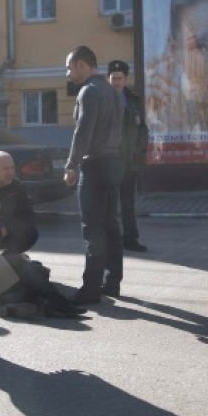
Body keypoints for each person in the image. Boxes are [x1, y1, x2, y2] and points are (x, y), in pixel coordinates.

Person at [0, 151, 86, 318]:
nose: (10, 172)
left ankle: (43, 304)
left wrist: (4, 238)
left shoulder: (9, 192)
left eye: (12, 168)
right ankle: (58, 304)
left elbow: (29, 212)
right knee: (23, 267)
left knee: (35, 269)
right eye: (5, 168)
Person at [64, 46, 124, 305]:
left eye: (69, 67)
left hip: (95, 166)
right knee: (111, 225)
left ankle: (90, 289)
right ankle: (111, 282)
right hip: (113, 163)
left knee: (93, 229)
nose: (68, 73)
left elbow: (83, 132)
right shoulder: (112, 91)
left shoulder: (89, 91)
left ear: (81, 64)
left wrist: (71, 165)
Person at [107, 60, 150, 253]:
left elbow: (142, 129)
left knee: (128, 202)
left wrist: (140, 149)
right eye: (113, 78)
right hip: (110, 161)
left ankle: (130, 238)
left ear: (125, 79)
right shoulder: (102, 99)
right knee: (108, 203)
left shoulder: (133, 99)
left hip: (130, 161)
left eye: (120, 78)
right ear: (109, 79)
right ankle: (110, 240)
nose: (116, 82)